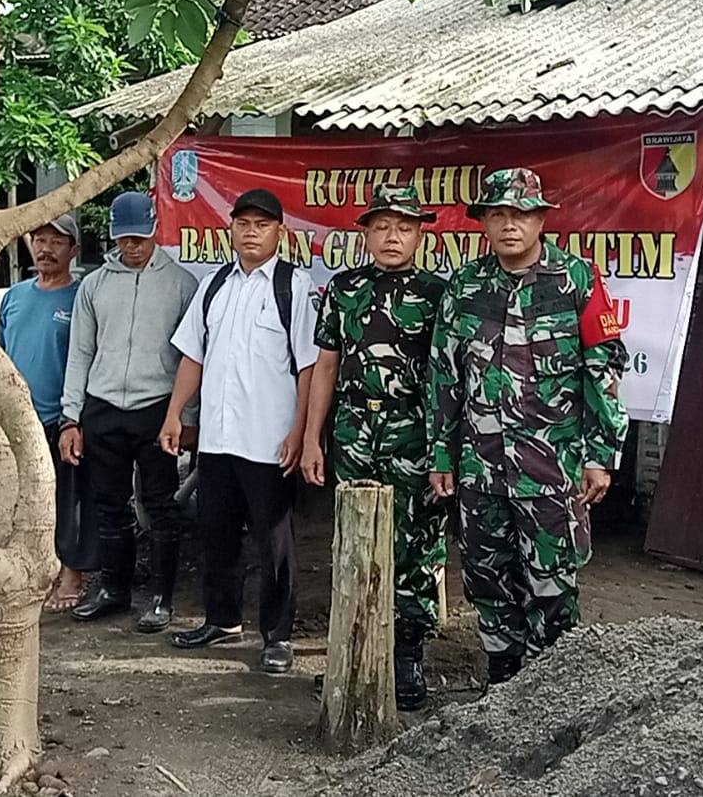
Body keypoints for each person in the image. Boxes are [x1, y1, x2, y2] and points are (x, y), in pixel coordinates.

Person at [428, 167, 629, 685]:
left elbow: (603, 371)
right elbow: (444, 377)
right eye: (498, 215)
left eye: (520, 214)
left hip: (553, 469)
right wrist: (443, 456)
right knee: (487, 579)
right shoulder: (464, 288)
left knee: (552, 583)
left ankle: (554, 690)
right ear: (484, 224)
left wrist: (599, 456)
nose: (509, 224)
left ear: (540, 219)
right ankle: (501, 683)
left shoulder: (576, 280)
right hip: (481, 470)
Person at [160, 188, 318, 674]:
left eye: (262, 224)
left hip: (269, 439)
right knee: (217, 532)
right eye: (243, 222)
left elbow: (310, 367)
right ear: (230, 228)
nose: (251, 232)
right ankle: (221, 618)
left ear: (280, 232)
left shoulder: (294, 286)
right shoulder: (214, 286)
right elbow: (194, 355)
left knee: (274, 542)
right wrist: (174, 414)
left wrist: (300, 431)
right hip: (218, 438)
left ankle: (277, 635)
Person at [302, 184, 447, 709]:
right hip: (355, 433)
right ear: (365, 232)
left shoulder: (437, 294)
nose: (393, 236)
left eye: (404, 227)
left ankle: (406, 659)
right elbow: (326, 365)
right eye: (383, 226)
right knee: (354, 543)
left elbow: (446, 378)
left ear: (419, 234)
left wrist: (443, 450)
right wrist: (313, 439)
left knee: (413, 545)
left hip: (414, 435)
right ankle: (353, 654)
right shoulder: (343, 289)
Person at [60, 191, 199, 631]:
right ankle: (114, 591)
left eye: (139, 237)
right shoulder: (94, 285)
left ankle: (160, 598)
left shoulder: (181, 284)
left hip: (156, 408)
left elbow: (191, 359)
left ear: (155, 229)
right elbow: (79, 353)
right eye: (124, 240)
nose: (132, 247)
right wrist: (71, 417)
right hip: (102, 409)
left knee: (160, 504)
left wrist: (188, 418)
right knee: (108, 504)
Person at [0, 212, 88, 609]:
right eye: (39, 240)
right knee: (20, 499)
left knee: (67, 499)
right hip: (15, 420)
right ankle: (31, 571)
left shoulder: (81, 296)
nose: (46, 249)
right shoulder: (15, 296)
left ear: (73, 250)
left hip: (61, 418)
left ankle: (72, 575)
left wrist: (75, 418)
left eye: (56, 242)